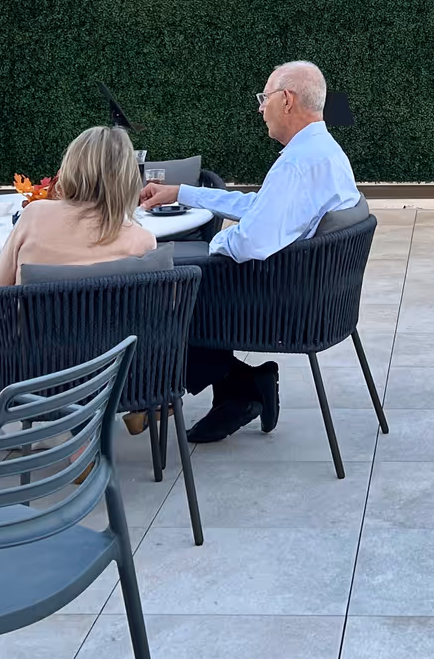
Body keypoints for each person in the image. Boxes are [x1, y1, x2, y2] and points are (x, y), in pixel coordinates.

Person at [139, 60, 360, 445]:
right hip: (314, 292)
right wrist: (181, 193)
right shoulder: (324, 151)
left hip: (284, 299)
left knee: (160, 282)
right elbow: (260, 209)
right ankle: (237, 389)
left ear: (287, 100)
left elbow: (252, 242)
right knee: (187, 270)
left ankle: (159, 391)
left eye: (264, 98)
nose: (260, 108)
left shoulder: (296, 164)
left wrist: (212, 246)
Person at [0, 125, 157, 287]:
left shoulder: (34, 215)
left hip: (37, 316)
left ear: (69, 167)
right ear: (128, 179)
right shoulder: (143, 242)